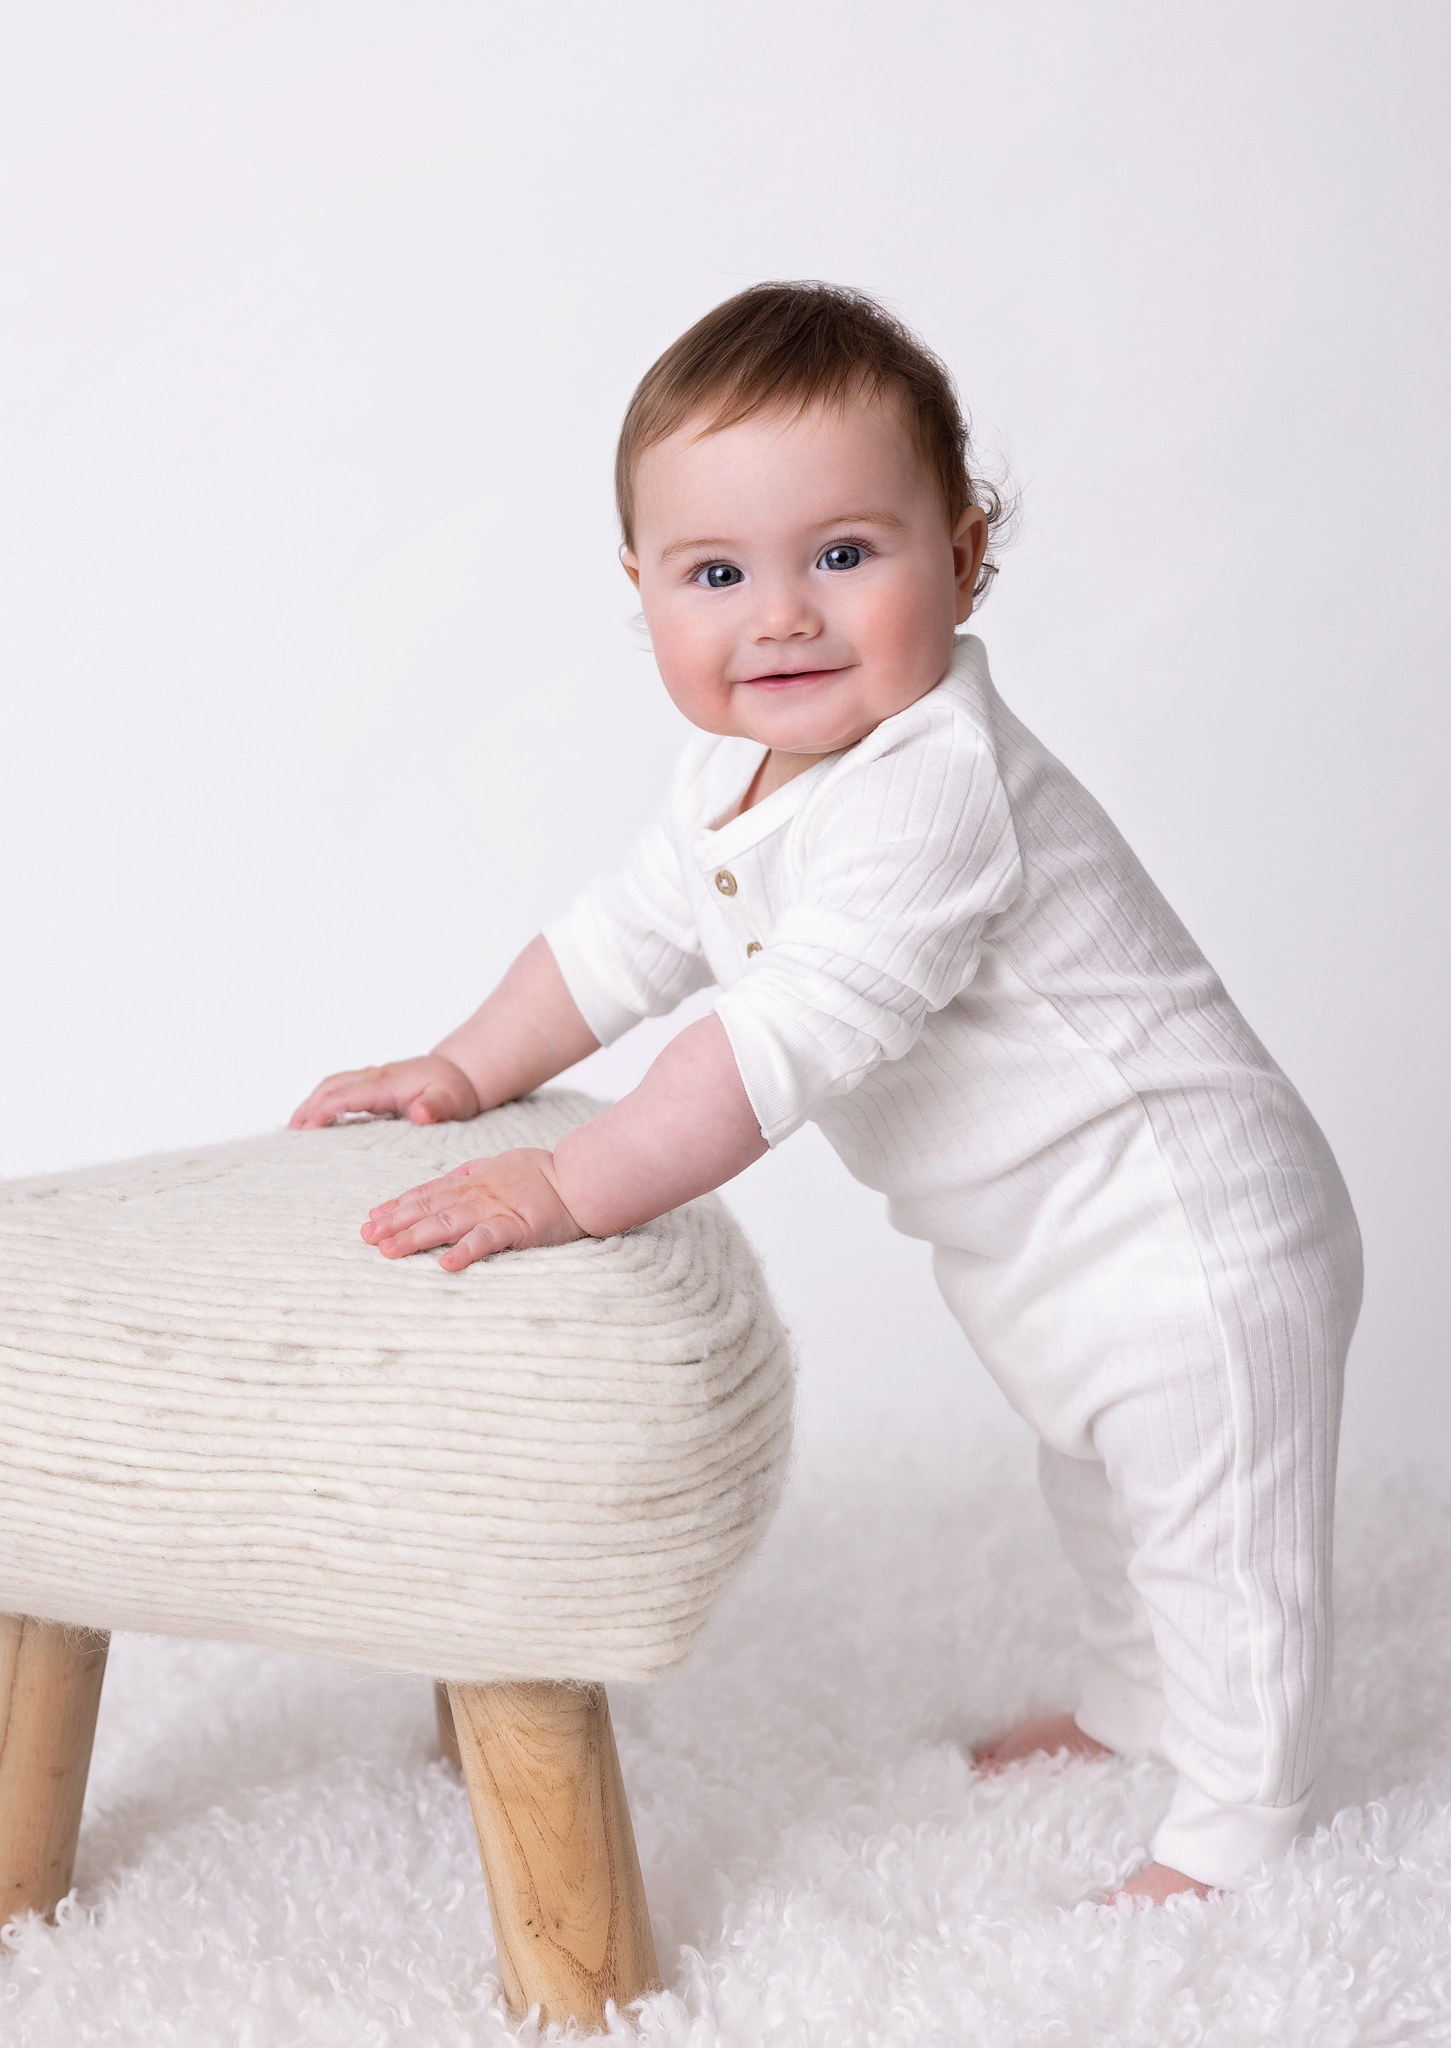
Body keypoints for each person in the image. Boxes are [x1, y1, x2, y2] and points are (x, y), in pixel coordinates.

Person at [291, 282, 1361, 1905]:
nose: (782, 616)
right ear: (641, 588)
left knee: (1220, 1537)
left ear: (966, 556)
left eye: (845, 555)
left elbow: (777, 1040)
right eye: (717, 574)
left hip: (1193, 1231)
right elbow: (621, 938)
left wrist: (570, 1184)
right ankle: (1136, 1709)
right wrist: (466, 1064)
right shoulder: (729, 774)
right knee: (1104, 1494)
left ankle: (1242, 1826)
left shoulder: (934, 789)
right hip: (1047, 1244)